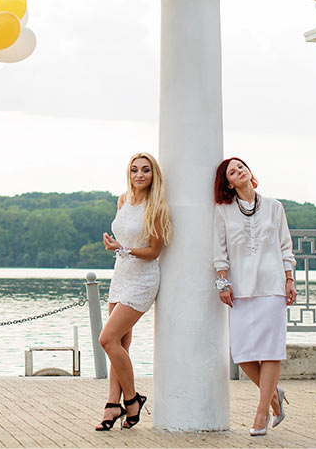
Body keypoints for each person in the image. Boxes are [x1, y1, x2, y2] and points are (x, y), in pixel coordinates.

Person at [212, 156, 297, 436]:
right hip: (241, 289)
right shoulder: (223, 211)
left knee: (271, 349)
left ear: (249, 172)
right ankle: (273, 394)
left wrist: (289, 279)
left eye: (241, 167)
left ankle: (262, 413)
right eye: (233, 172)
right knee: (243, 352)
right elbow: (219, 251)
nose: (239, 171)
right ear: (228, 183)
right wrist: (222, 284)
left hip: (272, 286)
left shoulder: (274, 207)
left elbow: (285, 246)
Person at [94, 152, 172, 431]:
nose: (140, 175)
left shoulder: (158, 208)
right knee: (120, 345)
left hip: (142, 280)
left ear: (154, 175)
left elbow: (153, 252)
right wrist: (114, 245)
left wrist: (122, 249)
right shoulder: (123, 200)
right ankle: (112, 404)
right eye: (135, 170)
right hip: (121, 275)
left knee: (107, 339)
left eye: (146, 170)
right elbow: (124, 237)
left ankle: (132, 399)